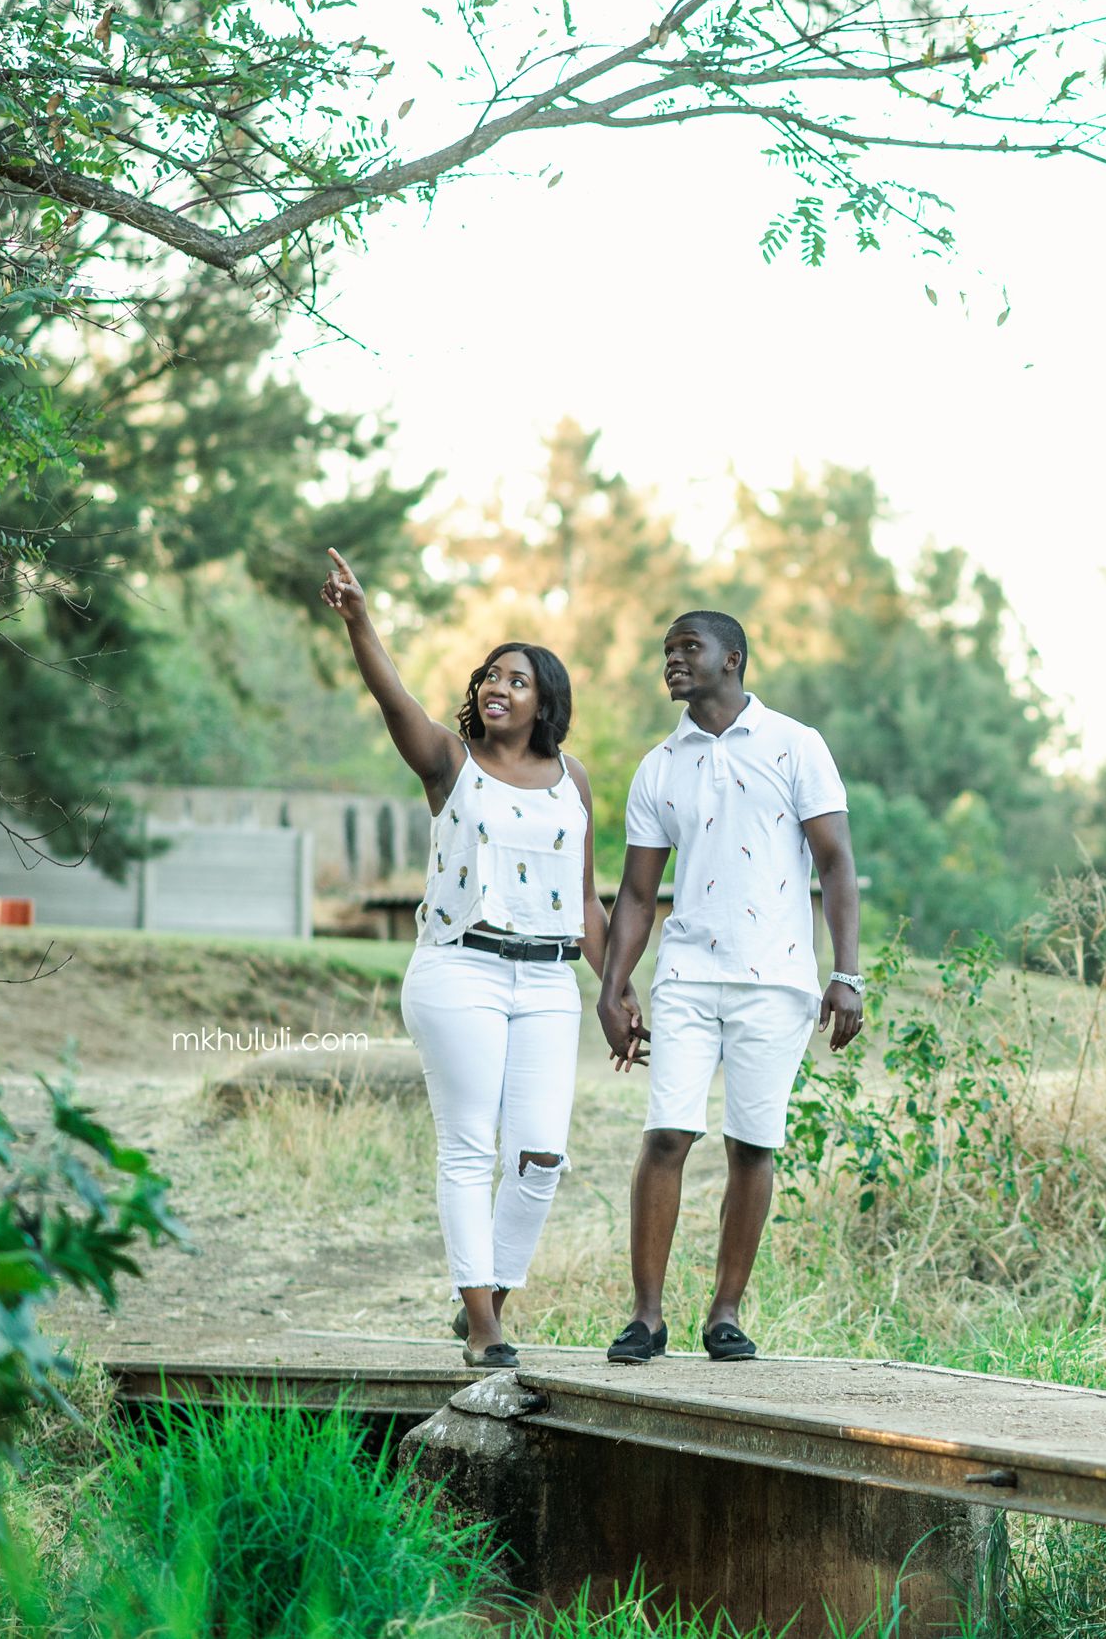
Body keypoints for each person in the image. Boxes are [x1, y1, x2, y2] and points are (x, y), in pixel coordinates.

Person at [320, 549, 606, 1369]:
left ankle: (489, 1292)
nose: (498, 686)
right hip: (460, 971)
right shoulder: (450, 762)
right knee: (470, 1147)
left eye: (517, 680)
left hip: (549, 978)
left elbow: (584, 898)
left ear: (545, 700)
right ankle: (483, 1322)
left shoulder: (572, 781)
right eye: (490, 674)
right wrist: (358, 619)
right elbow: (392, 696)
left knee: (543, 1153)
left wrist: (613, 989)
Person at [596, 609, 864, 1364]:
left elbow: (837, 863)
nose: (673, 661)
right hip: (687, 974)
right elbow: (639, 894)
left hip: (777, 977)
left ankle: (725, 1311)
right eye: (667, 651)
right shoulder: (660, 765)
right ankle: (646, 1317)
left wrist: (845, 974)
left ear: (733, 658)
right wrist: (613, 986)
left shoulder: (796, 744)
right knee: (667, 1134)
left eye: (689, 648)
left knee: (752, 1144)